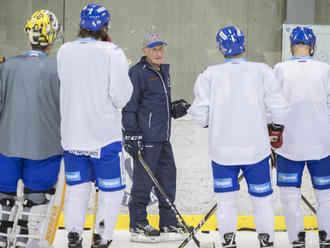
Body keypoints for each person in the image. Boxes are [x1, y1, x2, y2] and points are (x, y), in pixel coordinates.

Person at [188, 26, 289, 248]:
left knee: (226, 202)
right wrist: (274, 129)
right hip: (257, 150)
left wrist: (212, 122)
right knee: (262, 201)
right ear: (244, 43)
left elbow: (199, 115)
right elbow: (278, 108)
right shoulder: (262, 71)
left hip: (222, 152)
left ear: (221, 48)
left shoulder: (209, 74)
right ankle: (267, 242)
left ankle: (228, 242)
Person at [57, 4, 133, 248]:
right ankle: (101, 237)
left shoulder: (64, 51)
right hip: (104, 137)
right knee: (111, 192)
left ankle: (74, 234)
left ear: (81, 25)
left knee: (77, 190)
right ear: (104, 26)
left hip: (72, 136)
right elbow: (121, 97)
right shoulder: (112, 52)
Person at [0, 10, 63, 247]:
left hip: (6, 145)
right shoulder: (60, 69)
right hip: (45, 147)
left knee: (3, 195)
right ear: (52, 37)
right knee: (36, 197)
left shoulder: (6, 66)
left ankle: (2, 237)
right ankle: (26, 240)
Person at [122, 31, 190, 243]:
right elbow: (130, 106)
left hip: (163, 137)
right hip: (146, 139)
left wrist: (173, 109)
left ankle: (168, 221)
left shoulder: (163, 72)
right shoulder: (137, 73)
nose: (159, 53)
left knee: (168, 179)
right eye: (154, 49)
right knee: (143, 182)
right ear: (145, 51)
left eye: (161, 48)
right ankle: (138, 223)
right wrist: (131, 135)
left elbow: (155, 106)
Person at [274, 26, 330, 248]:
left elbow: (271, 107)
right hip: (322, 144)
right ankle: (327, 238)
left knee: (290, 197)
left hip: (289, 145)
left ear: (291, 46)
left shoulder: (279, 69)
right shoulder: (326, 69)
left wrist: (271, 138)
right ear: (312, 46)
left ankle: (296, 240)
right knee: (325, 196)